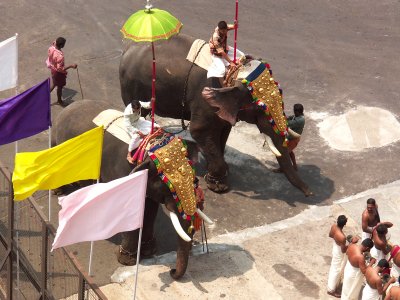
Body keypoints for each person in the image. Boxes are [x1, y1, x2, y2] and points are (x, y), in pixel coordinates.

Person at [327, 215, 359, 298]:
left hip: (335, 247)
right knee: (337, 269)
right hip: (339, 252)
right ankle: (331, 289)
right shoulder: (342, 237)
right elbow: (343, 250)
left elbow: (330, 235)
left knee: (334, 267)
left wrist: (337, 241)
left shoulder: (334, 227)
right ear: (345, 223)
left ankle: (332, 286)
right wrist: (352, 242)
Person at [207, 20, 243, 87]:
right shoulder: (216, 37)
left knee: (241, 55)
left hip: (224, 48)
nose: (225, 32)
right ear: (219, 30)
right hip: (216, 53)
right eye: (223, 31)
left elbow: (235, 27)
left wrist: (236, 24)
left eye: (226, 30)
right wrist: (231, 62)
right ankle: (223, 85)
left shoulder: (225, 28)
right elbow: (221, 52)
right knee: (222, 70)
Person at [273, 103, 305, 173]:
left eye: (295, 111)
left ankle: (283, 168)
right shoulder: (298, 116)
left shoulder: (300, 120)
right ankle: (294, 165)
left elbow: (287, 124)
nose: (294, 112)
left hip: (293, 139)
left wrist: (280, 119)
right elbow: (290, 117)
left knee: (283, 154)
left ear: (298, 111)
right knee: (290, 152)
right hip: (290, 138)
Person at [46, 37, 77, 106]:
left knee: (54, 83)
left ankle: (45, 95)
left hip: (53, 69)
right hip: (58, 73)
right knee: (59, 87)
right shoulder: (60, 56)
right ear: (61, 46)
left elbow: (55, 41)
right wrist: (71, 66)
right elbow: (60, 69)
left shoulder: (52, 47)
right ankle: (59, 101)